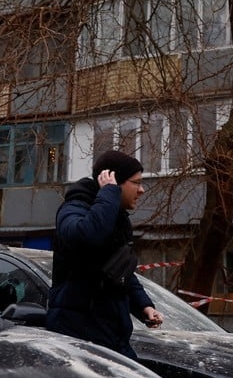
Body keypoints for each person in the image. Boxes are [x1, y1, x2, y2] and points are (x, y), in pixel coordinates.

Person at [47, 149, 164, 360]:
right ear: (113, 182)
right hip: (79, 340)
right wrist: (110, 193)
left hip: (110, 336)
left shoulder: (114, 216)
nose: (142, 190)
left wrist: (144, 305)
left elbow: (119, 269)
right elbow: (86, 237)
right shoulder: (73, 208)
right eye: (136, 182)